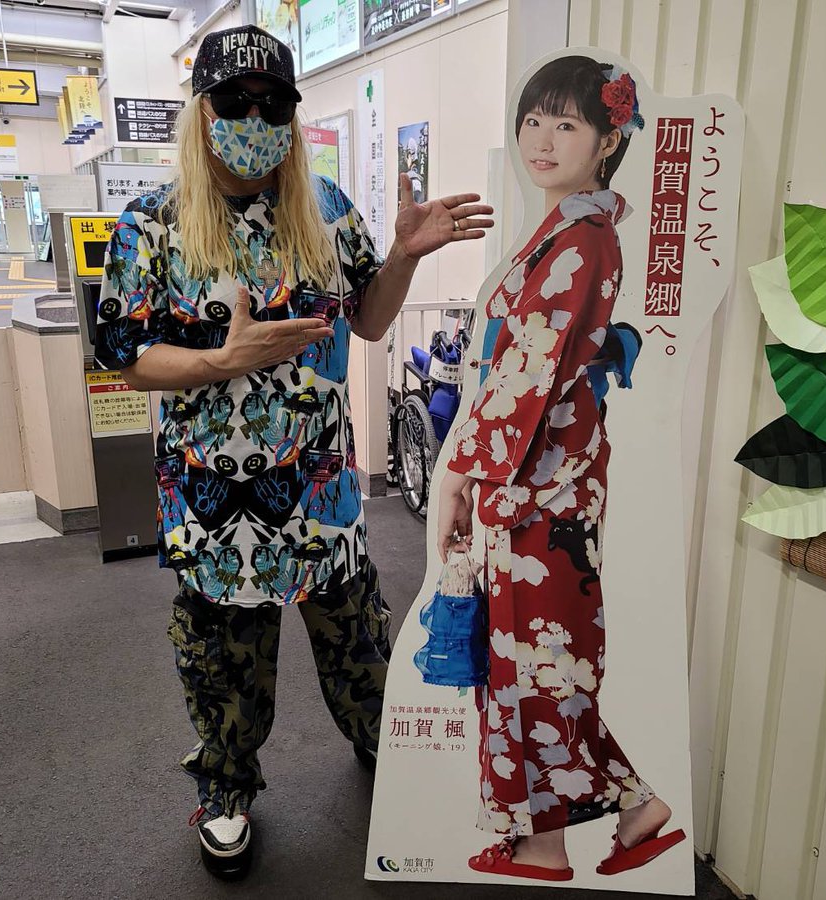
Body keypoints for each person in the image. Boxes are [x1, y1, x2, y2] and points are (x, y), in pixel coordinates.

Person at [93, 24, 493, 881]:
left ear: (292, 116)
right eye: (234, 101)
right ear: (202, 112)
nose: (254, 118)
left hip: (322, 496)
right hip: (213, 506)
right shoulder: (151, 225)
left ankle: (389, 748)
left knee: (360, 649)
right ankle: (227, 788)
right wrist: (220, 361)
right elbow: (126, 354)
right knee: (224, 663)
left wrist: (403, 256)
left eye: (273, 103)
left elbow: (372, 321)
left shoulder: (327, 211)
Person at [436, 55, 685, 882]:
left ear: (609, 141)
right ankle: (612, 815)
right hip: (539, 481)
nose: (541, 139)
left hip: (537, 486)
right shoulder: (569, 228)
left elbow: (529, 370)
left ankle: (554, 837)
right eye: (533, 120)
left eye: (566, 124)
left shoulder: (582, 238)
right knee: (539, 662)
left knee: (538, 664)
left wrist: (463, 474)